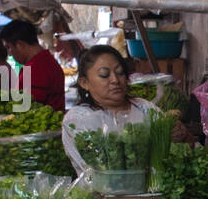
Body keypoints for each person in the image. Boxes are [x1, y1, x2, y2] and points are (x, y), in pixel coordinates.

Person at [61, 45, 190, 175]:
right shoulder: (78, 118)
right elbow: (96, 167)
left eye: (120, 72)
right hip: (101, 192)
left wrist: (178, 134)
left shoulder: (143, 107)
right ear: (84, 83)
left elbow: (181, 146)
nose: (115, 80)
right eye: (104, 75)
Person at [0, 18, 66, 111]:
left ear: (19, 45)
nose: (9, 53)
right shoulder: (46, 60)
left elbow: (26, 109)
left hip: (43, 125)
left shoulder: (35, 68)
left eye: (8, 47)